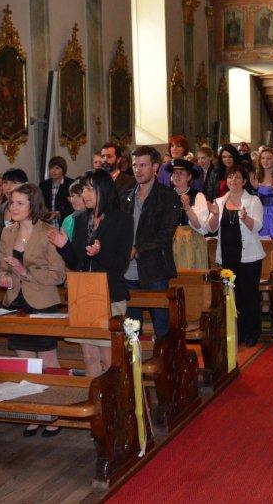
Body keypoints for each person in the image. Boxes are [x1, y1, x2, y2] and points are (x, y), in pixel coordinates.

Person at [48, 170, 134, 377]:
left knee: (109, 358)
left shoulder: (122, 219)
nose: (84, 194)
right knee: (89, 357)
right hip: (83, 294)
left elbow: (121, 263)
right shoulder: (80, 219)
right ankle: (95, 395)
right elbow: (76, 263)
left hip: (109, 294)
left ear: (103, 190)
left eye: (88, 189)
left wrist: (99, 253)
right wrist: (64, 246)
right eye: (83, 189)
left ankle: (116, 395)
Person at [0, 184, 66, 435]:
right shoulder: (8, 233)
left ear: (33, 205)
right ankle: (36, 412)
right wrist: (5, 278)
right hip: (17, 301)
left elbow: (58, 275)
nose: (13, 207)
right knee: (25, 362)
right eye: (11, 203)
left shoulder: (48, 232)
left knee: (47, 360)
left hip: (43, 301)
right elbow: (2, 269)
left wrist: (25, 272)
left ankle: (55, 411)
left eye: (20, 203)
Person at [122, 146, 180, 338]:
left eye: (143, 165)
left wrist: (137, 249)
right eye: (135, 165)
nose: (137, 170)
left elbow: (166, 233)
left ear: (155, 167)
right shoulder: (126, 196)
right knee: (132, 328)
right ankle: (135, 357)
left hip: (155, 269)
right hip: (128, 272)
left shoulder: (168, 196)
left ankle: (166, 356)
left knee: (162, 326)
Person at [204, 163, 264, 346]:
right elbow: (210, 228)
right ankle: (236, 333)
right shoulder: (219, 201)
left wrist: (245, 218)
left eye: (238, 177)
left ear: (244, 181)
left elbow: (258, 226)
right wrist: (215, 215)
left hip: (249, 256)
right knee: (232, 296)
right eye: (230, 177)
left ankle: (252, 332)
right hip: (228, 256)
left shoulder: (253, 201)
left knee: (249, 296)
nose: (233, 180)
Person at [251, 147, 273, 239]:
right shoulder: (256, 177)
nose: (265, 161)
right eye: (263, 158)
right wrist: (255, 189)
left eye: (269, 158)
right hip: (259, 213)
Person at [39, 156, 74, 226]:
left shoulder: (71, 184)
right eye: (51, 168)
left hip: (66, 223)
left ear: (63, 170)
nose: (53, 171)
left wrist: (58, 213)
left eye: (57, 168)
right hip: (47, 223)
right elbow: (40, 203)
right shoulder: (43, 185)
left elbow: (75, 206)